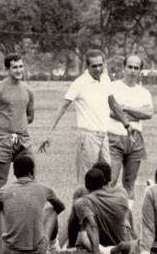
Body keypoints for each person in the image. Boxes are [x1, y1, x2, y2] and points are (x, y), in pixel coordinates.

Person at [39, 49, 131, 182]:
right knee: (86, 179)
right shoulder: (79, 83)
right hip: (88, 137)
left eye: (101, 65)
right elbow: (62, 108)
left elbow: (114, 105)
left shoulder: (106, 79)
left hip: (103, 136)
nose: (98, 69)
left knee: (106, 178)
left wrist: (127, 125)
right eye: (94, 66)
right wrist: (48, 134)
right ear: (87, 67)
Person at [0, 53, 35, 193]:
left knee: (30, 180)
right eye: (15, 67)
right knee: (1, 183)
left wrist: (17, 125)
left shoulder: (28, 90)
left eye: (21, 66)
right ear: (7, 69)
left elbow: (30, 116)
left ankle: (26, 211)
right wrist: (1, 123)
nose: (19, 70)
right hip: (2, 139)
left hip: (22, 138)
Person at [0, 156, 66, 254]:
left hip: (9, 250)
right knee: (52, 210)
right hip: (38, 249)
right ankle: (53, 246)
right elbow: (61, 207)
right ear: (32, 172)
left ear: (14, 173)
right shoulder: (45, 189)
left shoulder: (4, 190)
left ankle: (2, 243)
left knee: (1, 210)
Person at [107, 54, 153, 198]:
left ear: (140, 71)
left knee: (129, 183)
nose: (132, 71)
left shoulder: (144, 92)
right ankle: (106, 214)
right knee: (111, 181)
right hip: (114, 137)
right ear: (124, 68)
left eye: (136, 68)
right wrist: (136, 113)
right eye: (130, 67)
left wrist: (125, 108)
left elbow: (148, 113)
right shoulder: (112, 87)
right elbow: (111, 112)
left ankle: (128, 216)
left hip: (135, 139)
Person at [66, 168, 131, 253]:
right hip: (120, 244)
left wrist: (96, 252)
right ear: (104, 182)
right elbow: (129, 225)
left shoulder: (82, 202)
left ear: (86, 185)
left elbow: (92, 226)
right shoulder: (121, 198)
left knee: (83, 235)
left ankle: (71, 245)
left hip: (99, 247)